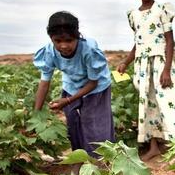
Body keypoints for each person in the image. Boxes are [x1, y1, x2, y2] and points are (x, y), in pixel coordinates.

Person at [118, 0, 175, 161]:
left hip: (160, 64)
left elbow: (169, 41)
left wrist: (166, 70)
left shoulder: (162, 10)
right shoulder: (133, 15)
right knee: (149, 105)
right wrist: (126, 62)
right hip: (142, 67)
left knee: (171, 102)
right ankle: (154, 147)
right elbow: (138, 43)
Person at [33, 11, 115, 160]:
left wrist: (68, 100)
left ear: (77, 36)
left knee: (95, 126)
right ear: (51, 39)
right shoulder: (50, 52)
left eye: (69, 40)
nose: (63, 46)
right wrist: (35, 114)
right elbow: (44, 83)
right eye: (58, 41)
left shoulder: (88, 50)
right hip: (71, 86)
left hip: (96, 88)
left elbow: (92, 83)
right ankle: (81, 160)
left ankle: (101, 164)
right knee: (74, 126)